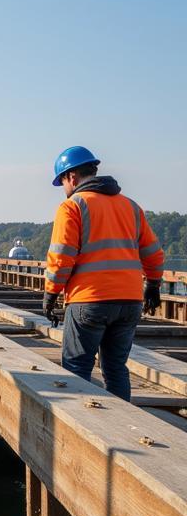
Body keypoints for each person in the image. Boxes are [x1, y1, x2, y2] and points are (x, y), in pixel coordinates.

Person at [43, 146, 164, 402]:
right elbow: (153, 253)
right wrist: (153, 284)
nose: (64, 188)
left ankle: (80, 432)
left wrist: (51, 293)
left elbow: (61, 258)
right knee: (116, 369)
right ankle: (122, 426)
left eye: (62, 182)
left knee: (77, 369)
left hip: (90, 300)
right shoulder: (131, 207)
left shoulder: (72, 206)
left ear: (72, 177)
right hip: (130, 302)